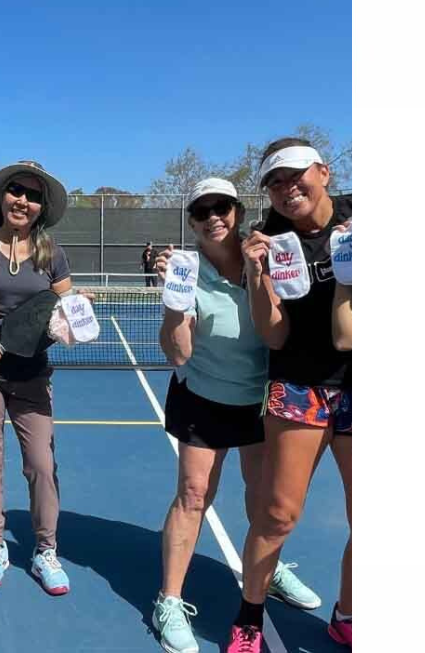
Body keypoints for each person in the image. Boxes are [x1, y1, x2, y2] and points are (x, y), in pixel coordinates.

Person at [150, 178, 320, 653]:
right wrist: (173, 306)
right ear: (193, 222)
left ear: (238, 211)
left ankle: (269, 568)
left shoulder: (264, 258)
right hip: (201, 396)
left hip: (260, 399)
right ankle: (170, 599)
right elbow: (178, 354)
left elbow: (286, 330)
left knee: (264, 497)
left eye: (221, 207)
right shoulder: (185, 271)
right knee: (194, 493)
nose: (213, 217)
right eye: (202, 211)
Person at [226, 138, 352, 652]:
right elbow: (273, 335)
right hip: (300, 385)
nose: (285, 188)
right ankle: (248, 619)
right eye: (274, 182)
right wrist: (256, 275)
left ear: (324, 172)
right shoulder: (269, 238)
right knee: (277, 514)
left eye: (294, 175)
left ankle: (347, 614)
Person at [0, 160, 75, 596]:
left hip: (31, 372)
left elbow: (65, 305)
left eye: (32, 194)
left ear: (41, 206)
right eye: (15, 191)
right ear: (2, 197)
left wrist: (74, 318)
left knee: (41, 466)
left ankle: (46, 550)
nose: (22, 200)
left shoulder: (51, 251)